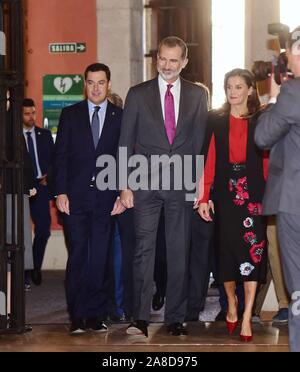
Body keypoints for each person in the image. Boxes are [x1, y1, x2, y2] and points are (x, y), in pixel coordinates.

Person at [119, 36, 208, 337]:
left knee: (179, 250)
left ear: (184, 62)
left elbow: (198, 142)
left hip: (181, 182)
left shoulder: (198, 95)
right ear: (156, 59)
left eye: (174, 60)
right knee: (143, 251)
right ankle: (140, 318)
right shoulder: (137, 94)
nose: (167, 66)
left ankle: (176, 317)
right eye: (163, 59)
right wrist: (124, 186)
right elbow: (125, 142)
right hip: (144, 183)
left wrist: (198, 182)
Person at [54, 63, 125, 334]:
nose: (96, 88)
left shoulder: (121, 116)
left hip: (107, 200)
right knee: (78, 256)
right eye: (91, 82)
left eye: (101, 82)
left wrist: (122, 191)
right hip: (75, 199)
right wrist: (60, 192)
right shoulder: (70, 115)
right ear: (85, 84)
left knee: (100, 257)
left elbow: (125, 158)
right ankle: (77, 316)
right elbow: (60, 157)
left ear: (108, 84)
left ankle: (96, 314)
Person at [198, 68, 268, 342]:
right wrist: (204, 197)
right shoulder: (215, 120)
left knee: (253, 254)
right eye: (229, 86)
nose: (233, 91)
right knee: (225, 254)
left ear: (250, 89)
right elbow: (209, 161)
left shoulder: (262, 119)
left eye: (239, 86)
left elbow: (267, 161)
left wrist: (270, 196)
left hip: (255, 195)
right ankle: (231, 302)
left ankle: (247, 315)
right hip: (226, 197)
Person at [255, 27, 300, 352]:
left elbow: (262, 137)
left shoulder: (293, 92)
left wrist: (272, 96)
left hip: (294, 202)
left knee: (298, 289)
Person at [22, 98, 54, 286]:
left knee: (43, 231)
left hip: (41, 188)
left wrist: (48, 177)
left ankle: (34, 267)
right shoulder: (12, 137)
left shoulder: (44, 134)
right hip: (22, 188)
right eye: (27, 113)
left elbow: (54, 158)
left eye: (33, 112)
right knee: (22, 233)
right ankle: (25, 272)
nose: (31, 117)